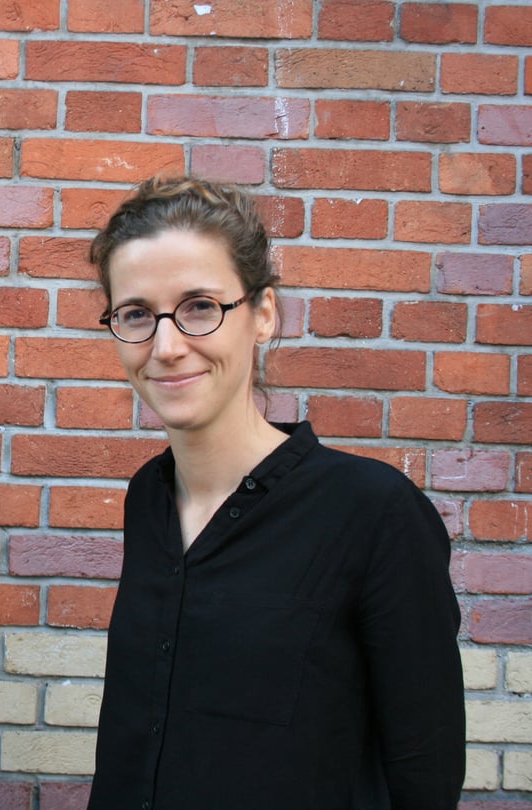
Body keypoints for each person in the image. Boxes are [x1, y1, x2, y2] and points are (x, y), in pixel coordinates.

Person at [85, 176, 464, 809]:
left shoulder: (373, 512)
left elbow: (424, 771)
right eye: (136, 314)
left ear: (263, 315)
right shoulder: (148, 498)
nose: (167, 345)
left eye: (200, 306)